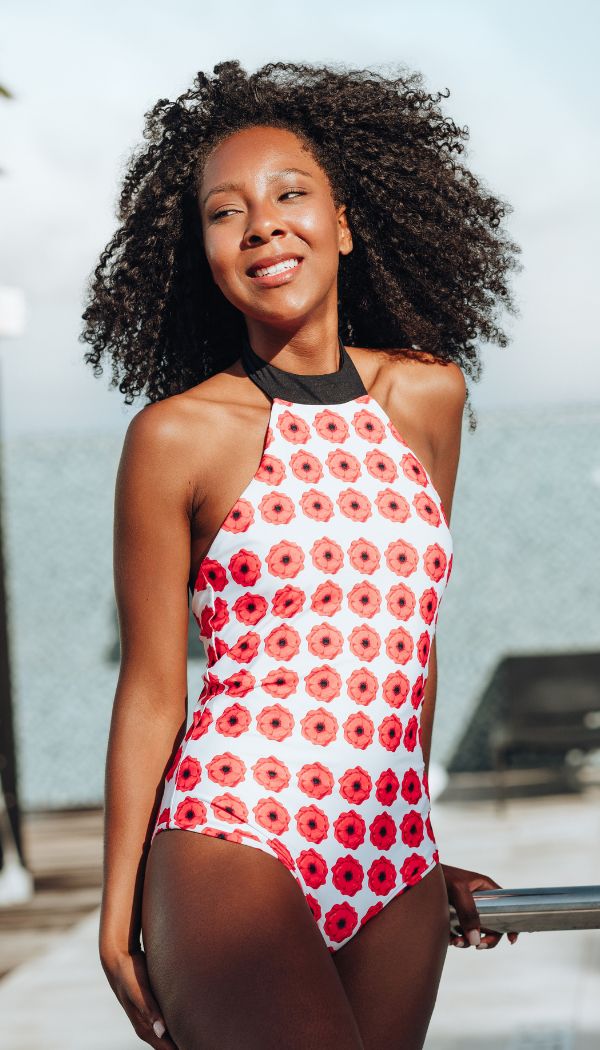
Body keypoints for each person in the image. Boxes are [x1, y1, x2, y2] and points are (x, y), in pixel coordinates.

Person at [81, 59, 521, 1050]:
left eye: (290, 194)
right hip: (236, 837)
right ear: (203, 254)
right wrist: (120, 906)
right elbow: (154, 686)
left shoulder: (429, 397)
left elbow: (410, 642)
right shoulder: (176, 437)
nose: (262, 224)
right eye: (224, 212)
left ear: (347, 224)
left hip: (393, 857)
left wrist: (416, 839)